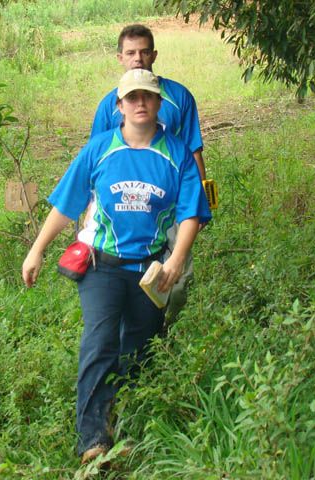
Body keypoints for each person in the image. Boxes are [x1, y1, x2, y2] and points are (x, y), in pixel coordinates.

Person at [22, 69, 211, 463]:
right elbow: (66, 204)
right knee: (100, 341)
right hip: (101, 266)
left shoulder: (176, 153)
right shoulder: (98, 149)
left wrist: (176, 258)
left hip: (149, 270)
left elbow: (192, 212)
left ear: (159, 103)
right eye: (132, 97)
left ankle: (129, 420)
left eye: (148, 96)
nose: (140, 103)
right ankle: (92, 438)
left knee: (140, 348)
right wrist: (36, 249)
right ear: (119, 105)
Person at [90, 23, 209, 323]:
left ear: (154, 54)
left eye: (144, 52)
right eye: (130, 53)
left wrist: (202, 203)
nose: (137, 59)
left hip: (172, 203)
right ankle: (138, 337)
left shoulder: (179, 97)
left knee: (178, 280)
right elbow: (96, 163)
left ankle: (163, 330)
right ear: (119, 57)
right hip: (127, 206)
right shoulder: (110, 105)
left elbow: (194, 151)